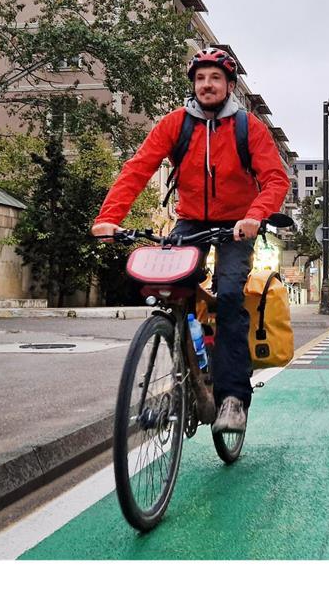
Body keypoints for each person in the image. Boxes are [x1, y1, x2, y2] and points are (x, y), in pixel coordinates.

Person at [91, 47, 290, 432]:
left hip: (237, 225)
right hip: (190, 220)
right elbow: (138, 168)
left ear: (230, 86)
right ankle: (188, 374)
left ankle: (233, 398)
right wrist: (109, 219)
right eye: (200, 78)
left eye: (215, 78)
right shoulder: (175, 124)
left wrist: (254, 216)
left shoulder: (249, 127)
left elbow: (275, 179)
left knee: (231, 294)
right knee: (170, 288)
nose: (207, 85)